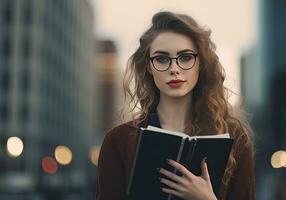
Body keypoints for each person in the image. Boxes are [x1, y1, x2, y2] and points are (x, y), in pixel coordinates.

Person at [96, 11, 255, 200]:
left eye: (186, 57)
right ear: (149, 66)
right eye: (162, 59)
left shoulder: (235, 137)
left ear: (201, 63)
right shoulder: (119, 140)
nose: (174, 69)